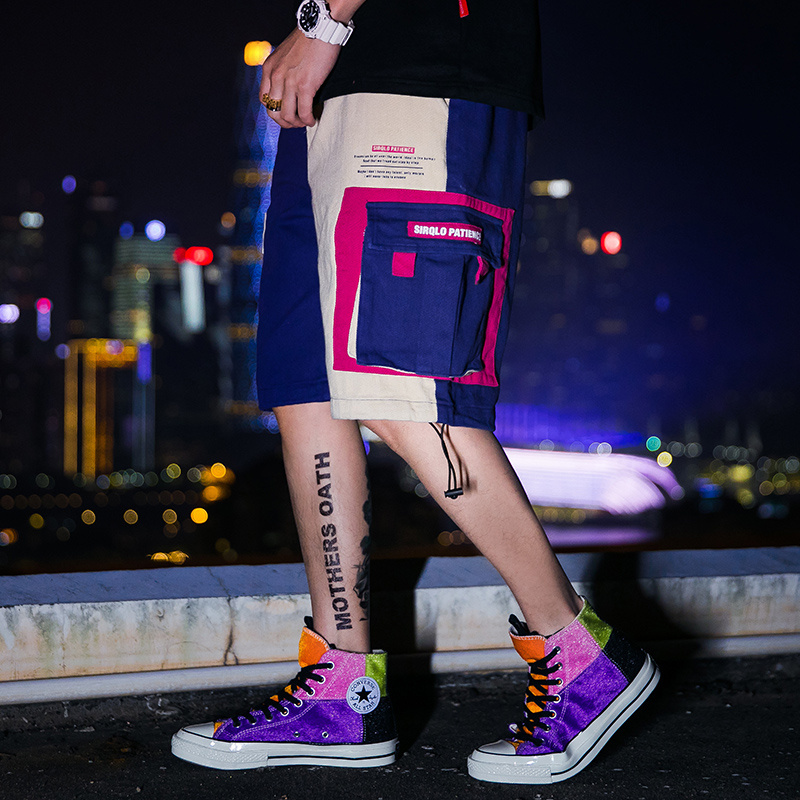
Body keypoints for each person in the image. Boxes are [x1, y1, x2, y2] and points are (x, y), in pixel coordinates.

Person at [171, 0, 659, 784]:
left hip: (420, 64)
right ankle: (343, 687)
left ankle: (580, 654)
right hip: (336, 91)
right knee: (309, 387)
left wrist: (326, 20)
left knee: (400, 385)